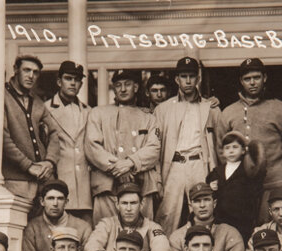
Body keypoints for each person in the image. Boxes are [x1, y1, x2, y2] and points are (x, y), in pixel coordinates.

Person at [217, 58, 282, 223]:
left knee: (270, 230)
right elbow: (220, 148)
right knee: (241, 229)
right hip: (239, 186)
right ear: (241, 81)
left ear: (264, 77)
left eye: (256, 77)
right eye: (247, 79)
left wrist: (277, 167)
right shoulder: (229, 112)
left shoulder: (280, 108)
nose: (252, 83)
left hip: (271, 184)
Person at [154, 56, 222, 235]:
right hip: (174, 164)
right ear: (177, 79)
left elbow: (219, 144)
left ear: (198, 78)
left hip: (199, 163)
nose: (188, 81)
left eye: (192, 76)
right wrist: (158, 178)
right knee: (168, 213)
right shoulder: (163, 109)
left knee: (202, 210)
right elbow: (155, 145)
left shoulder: (210, 107)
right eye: (183, 76)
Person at [84, 69, 160, 223]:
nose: (123, 89)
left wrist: (130, 163)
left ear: (136, 88)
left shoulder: (148, 117)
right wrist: (119, 168)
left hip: (141, 183)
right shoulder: (98, 113)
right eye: (118, 85)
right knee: (106, 230)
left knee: (142, 235)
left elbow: (154, 148)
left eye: (128, 84)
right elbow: (92, 147)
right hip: (107, 184)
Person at [83, 182, 170, 251]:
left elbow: (162, 245)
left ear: (141, 205)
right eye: (124, 203)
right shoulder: (107, 223)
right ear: (117, 205)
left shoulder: (152, 226)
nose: (129, 209)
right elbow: (93, 242)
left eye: (133, 203)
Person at [3, 54, 60, 202]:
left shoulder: (37, 101)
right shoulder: (2, 96)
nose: (31, 76)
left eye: (35, 72)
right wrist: (28, 166)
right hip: (16, 180)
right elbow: (2, 137)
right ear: (16, 70)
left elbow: (54, 133)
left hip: (43, 178)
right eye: (26, 70)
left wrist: (49, 162)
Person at [168, 182, 246, 251]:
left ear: (214, 203)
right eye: (197, 201)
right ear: (190, 205)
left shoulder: (229, 233)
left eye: (207, 200)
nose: (202, 205)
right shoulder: (177, 236)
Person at [46, 61, 92, 224]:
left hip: (85, 186)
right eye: (68, 78)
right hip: (60, 181)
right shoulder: (46, 109)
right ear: (59, 82)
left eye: (77, 80)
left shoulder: (89, 111)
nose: (73, 83)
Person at [20, 179, 93, 251]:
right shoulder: (33, 227)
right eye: (50, 198)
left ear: (66, 202)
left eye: (60, 199)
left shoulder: (83, 227)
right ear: (42, 201)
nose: (55, 204)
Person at [206, 131, 266, 243]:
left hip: (242, 219)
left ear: (243, 150)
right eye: (227, 148)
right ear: (223, 152)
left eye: (235, 147)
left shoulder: (248, 171)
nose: (231, 151)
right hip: (221, 218)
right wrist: (211, 185)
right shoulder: (218, 171)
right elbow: (210, 186)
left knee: (240, 244)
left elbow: (258, 183)